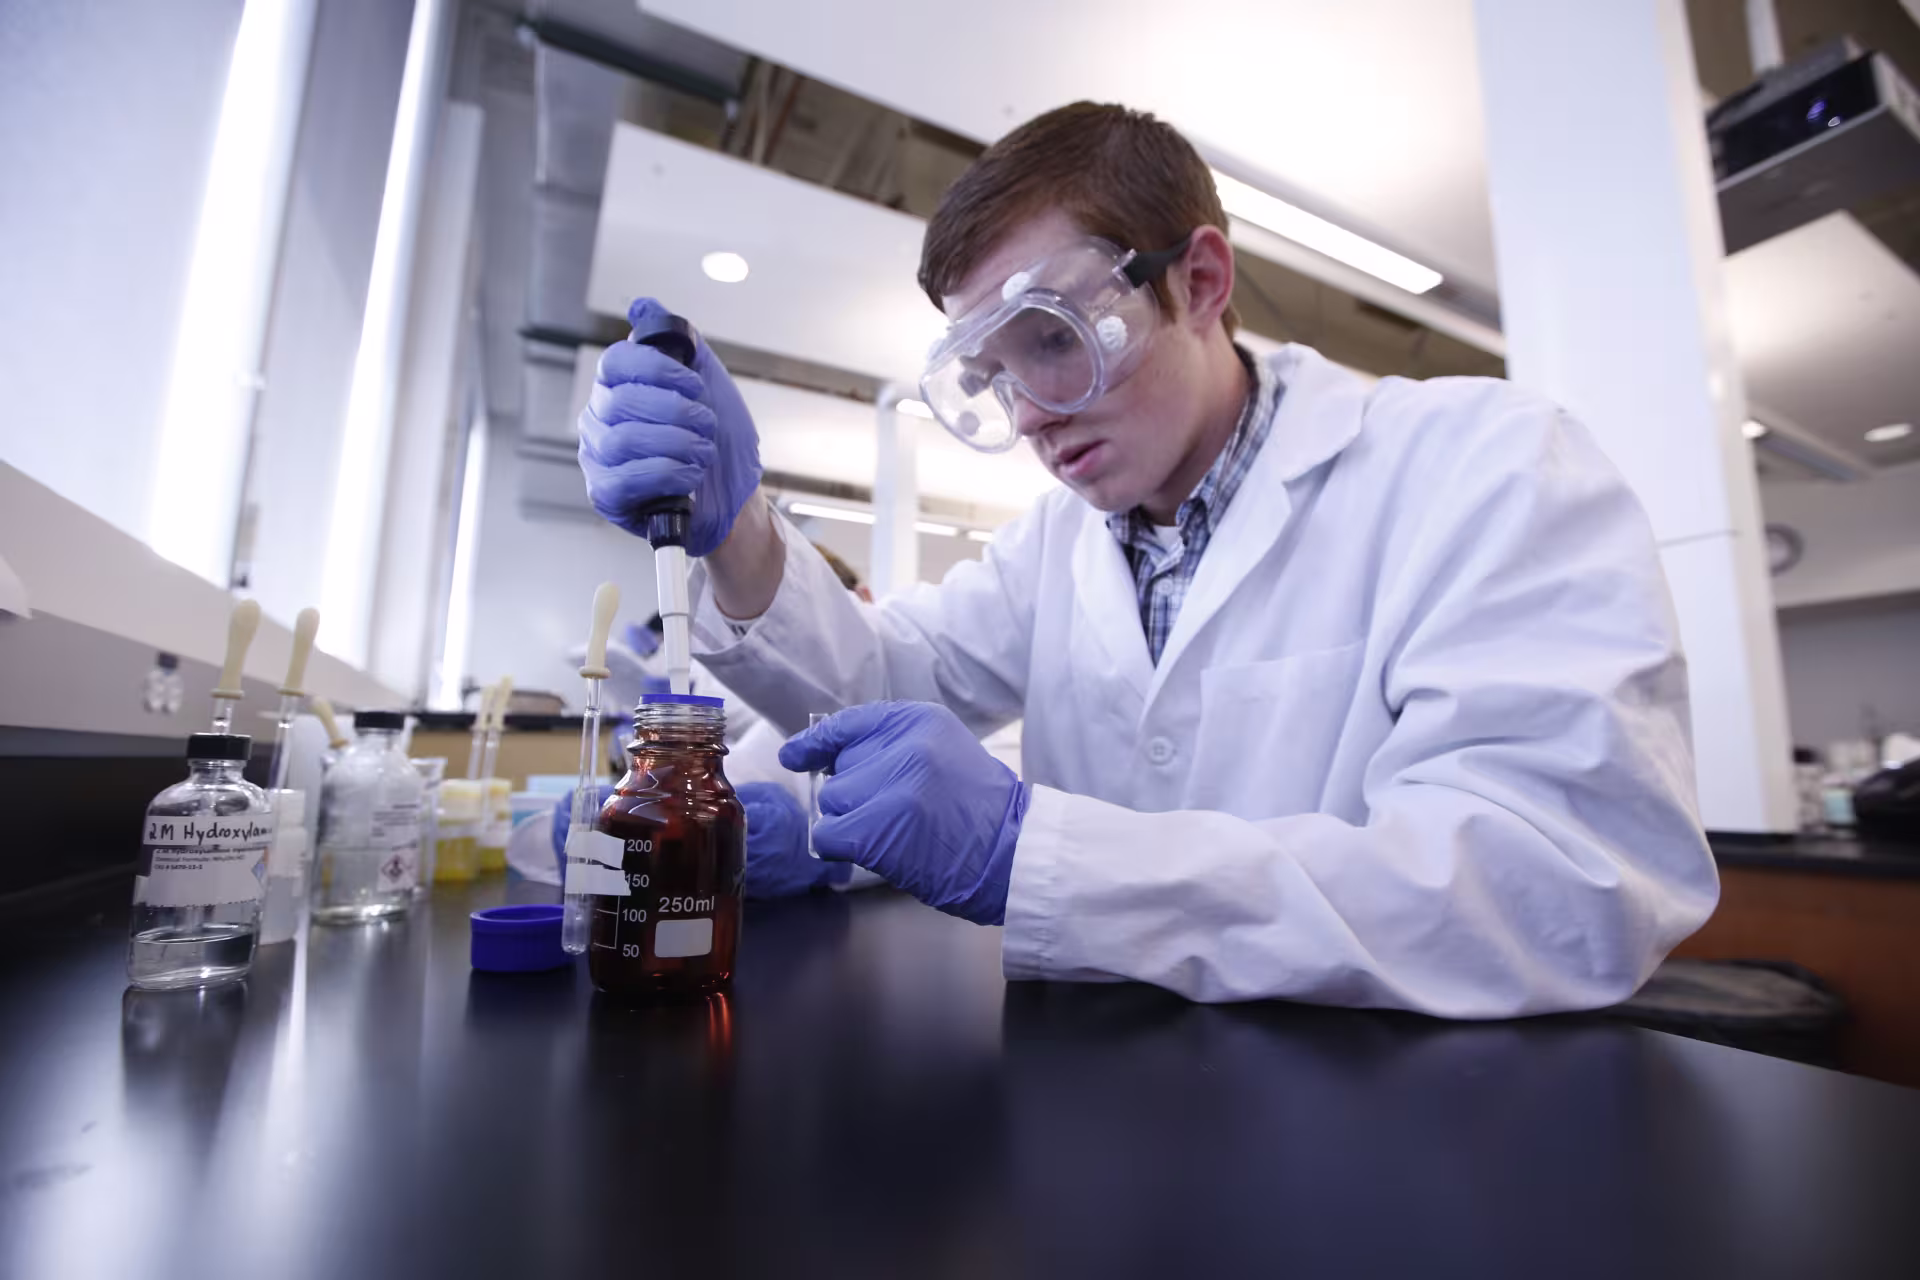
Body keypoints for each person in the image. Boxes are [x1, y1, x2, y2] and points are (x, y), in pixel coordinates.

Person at [575, 102, 1718, 1018]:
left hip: (1415, 1132)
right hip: (1099, 1117)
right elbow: (882, 685)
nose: (1027, 413)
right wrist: (740, 534)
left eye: (1052, 341)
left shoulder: (1488, 467)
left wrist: (1042, 852)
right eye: (993, 375)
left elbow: (1562, 883)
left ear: (1201, 281)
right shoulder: (1058, 544)